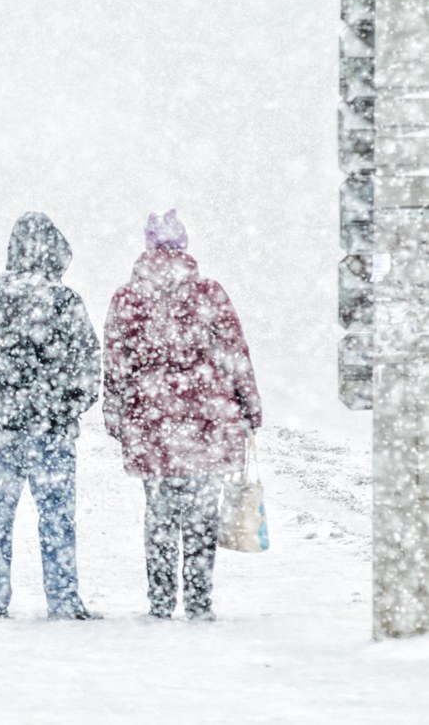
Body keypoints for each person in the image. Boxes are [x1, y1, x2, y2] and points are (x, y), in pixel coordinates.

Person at [102, 209, 262, 622]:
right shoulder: (209, 294)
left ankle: (159, 602)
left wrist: (116, 414)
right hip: (205, 420)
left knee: (158, 514)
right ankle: (197, 601)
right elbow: (235, 355)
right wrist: (249, 407)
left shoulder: (127, 298)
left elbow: (115, 362)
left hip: (151, 420)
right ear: (184, 247)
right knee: (201, 518)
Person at [0, 212, 101, 620]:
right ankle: (64, 599)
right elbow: (88, 366)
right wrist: (65, 407)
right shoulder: (63, 300)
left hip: (1, 429)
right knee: (56, 519)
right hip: (51, 431)